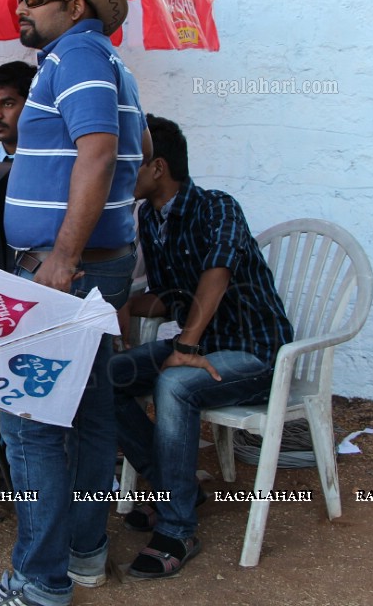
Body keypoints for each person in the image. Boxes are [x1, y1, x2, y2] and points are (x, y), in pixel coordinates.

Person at [0, 0, 145, 606]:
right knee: (90, 413)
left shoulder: (82, 55)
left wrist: (62, 256)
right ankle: (85, 552)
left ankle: (39, 583)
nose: (21, 4)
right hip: (92, 268)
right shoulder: (93, 60)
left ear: (76, 4)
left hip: (67, 270)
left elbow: (100, 153)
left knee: (27, 423)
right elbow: (131, 149)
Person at [111, 115, 294, 578]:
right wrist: (131, 305)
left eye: (128, 164)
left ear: (158, 167)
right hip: (200, 348)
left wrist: (187, 345)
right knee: (102, 378)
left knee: (175, 383)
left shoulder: (218, 208)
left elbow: (216, 276)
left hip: (254, 352)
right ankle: (176, 487)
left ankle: (177, 527)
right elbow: (172, 295)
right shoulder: (149, 218)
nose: (118, 174)